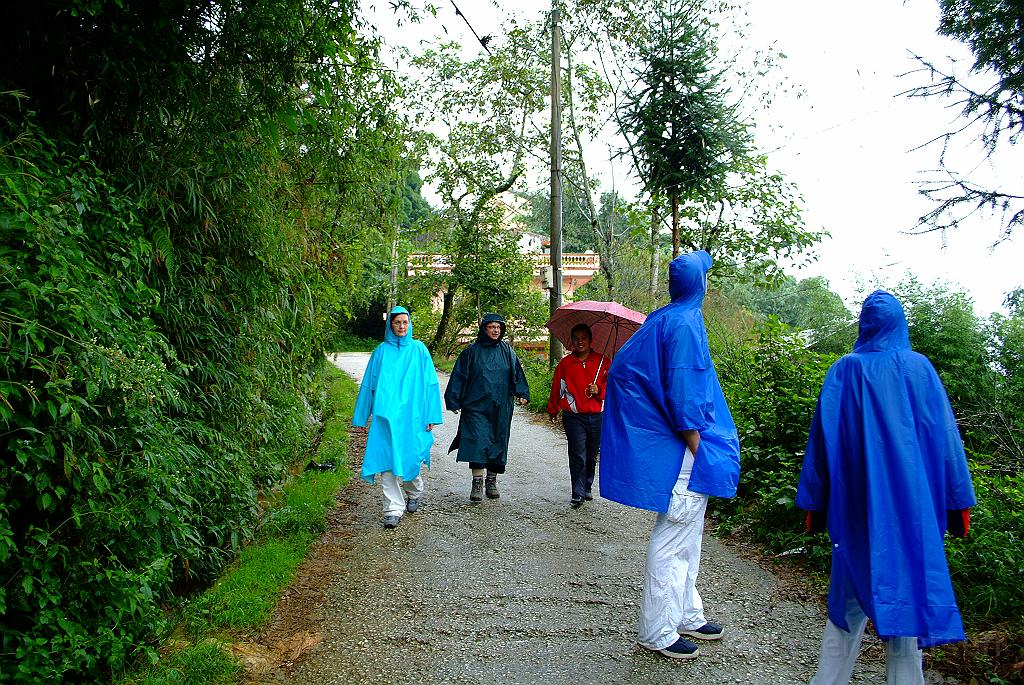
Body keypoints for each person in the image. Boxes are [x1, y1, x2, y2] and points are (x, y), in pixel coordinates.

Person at [796, 290, 976, 685]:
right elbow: (945, 439)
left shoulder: (845, 370)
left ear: (865, 324)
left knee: (845, 608)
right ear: (900, 323)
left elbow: (822, 444)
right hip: (912, 514)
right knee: (905, 605)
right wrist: (958, 501)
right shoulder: (920, 369)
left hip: (857, 508)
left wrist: (814, 501)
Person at [600, 250, 740, 661]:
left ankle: (686, 613)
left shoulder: (662, 318)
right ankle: (657, 629)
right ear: (700, 283)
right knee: (674, 533)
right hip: (683, 450)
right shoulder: (683, 323)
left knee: (687, 534)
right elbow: (684, 395)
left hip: (676, 445)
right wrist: (702, 451)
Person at [352, 307, 443, 529]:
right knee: (386, 461)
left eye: (405, 322)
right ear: (390, 326)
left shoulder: (420, 350)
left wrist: (431, 415)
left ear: (409, 324)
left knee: (410, 458)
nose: (402, 327)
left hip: (413, 416)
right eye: (397, 323)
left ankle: (414, 492)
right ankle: (393, 508)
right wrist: (362, 418)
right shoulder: (381, 352)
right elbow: (368, 386)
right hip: (385, 417)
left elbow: (431, 383)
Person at [444, 313, 530, 501]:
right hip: (475, 406)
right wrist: (454, 400)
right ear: (484, 329)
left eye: (498, 327)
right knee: (476, 441)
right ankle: (477, 482)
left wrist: (522, 393)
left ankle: (491, 481)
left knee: (497, 442)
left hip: (501, 406)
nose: (495, 330)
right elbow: (459, 376)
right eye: (491, 327)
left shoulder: (507, 351)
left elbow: (516, 374)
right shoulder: (471, 352)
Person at [546, 323, 609, 507]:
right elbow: (558, 386)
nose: (580, 342)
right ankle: (577, 491)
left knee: (591, 453)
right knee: (577, 453)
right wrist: (553, 408)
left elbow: (612, 385)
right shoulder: (566, 364)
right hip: (574, 416)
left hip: (597, 415)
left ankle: (587, 485)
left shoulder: (602, 361)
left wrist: (599, 390)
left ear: (590, 341)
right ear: (572, 341)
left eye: (584, 338)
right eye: (576, 338)